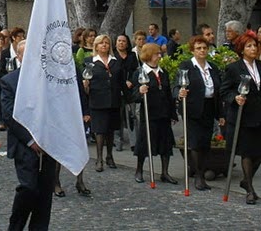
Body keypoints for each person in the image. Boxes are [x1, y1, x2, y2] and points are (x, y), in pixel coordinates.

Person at [0, 40, 56, 231]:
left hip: (48, 144)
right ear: (20, 56)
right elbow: (9, 115)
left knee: (45, 195)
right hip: (24, 145)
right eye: (27, 53)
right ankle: (15, 227)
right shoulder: (9, 81)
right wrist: (31, 140)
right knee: (29, 188)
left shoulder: (49, 79)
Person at [175, 35, 225, 191]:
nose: (202, 50)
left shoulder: (213, 67)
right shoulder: (186, 66)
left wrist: (221, 114)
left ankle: (201, 172)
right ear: (192, 50)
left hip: (209, 108)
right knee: (195, 143)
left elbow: (218, 92)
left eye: (204, 48)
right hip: (193, 108)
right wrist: (179, 92)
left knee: (205, 144)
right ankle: (198, 176)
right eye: (198, 48)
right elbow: (176, 85)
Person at [220, 32, 261, 205]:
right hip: (243, 116)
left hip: (259, 114)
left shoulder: (260, 65)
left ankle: (246, 179)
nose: (253, 49)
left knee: (258, 153)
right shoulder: (234, 68)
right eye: (249, 46)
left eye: (254, 45)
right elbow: (224, 90)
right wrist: (235, 98)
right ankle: (250, 189)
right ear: (241, 49)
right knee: (246, 152)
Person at [130, 43, 178, 184]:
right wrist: (140, 92)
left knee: (166, 143)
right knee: (145, 142)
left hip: (163, 112)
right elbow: (133, 96)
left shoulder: (163, 72)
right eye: (157, 53)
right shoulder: (140, 73)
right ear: (149, 55)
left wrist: (172, 113)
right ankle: (139, 170)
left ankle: (165, 172)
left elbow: (168, 94)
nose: (160, 56)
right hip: (149, 113)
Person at [81, 35, 125, 172]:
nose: (104, 45)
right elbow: (85, 83)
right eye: (101, 43)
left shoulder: (116, 61)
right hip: (97, 100)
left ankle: (110, 156)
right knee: (100, 130)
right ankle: (99, 158)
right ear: (96, 46)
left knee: (111, 129)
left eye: (106, 43)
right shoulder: (89, 62)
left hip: (113, 100)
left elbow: (121, 80)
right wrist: (86, 85)